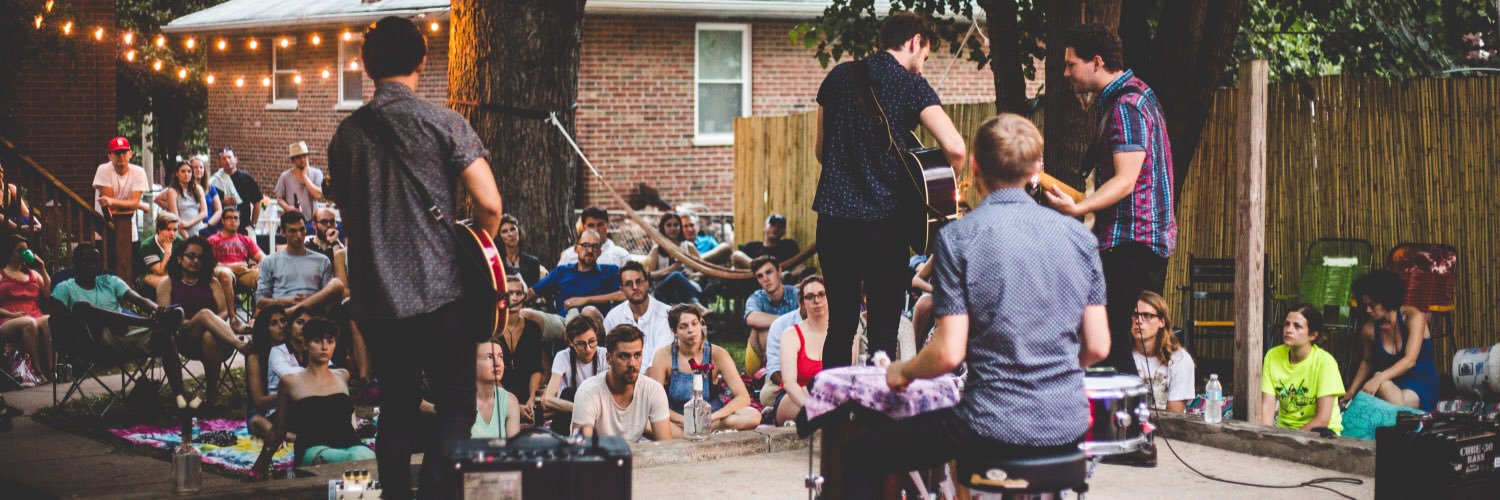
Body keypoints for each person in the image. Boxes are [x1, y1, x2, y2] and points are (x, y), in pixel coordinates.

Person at [843, 114, 1109, 497]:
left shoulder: (959, 237)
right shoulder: (1079, 238)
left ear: (976, 167)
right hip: (1067, 422)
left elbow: (948, 353)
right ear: (1037, 170)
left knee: (863, 453)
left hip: (991, 422)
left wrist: (902, 371)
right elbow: (1098, 346)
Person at [326, 16, 505, 498]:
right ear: (423, 60)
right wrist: (478, 252)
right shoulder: (444, 122)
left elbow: (349, 214)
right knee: (455, 410)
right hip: (442, 293)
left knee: (398, 408)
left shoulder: (344, 138)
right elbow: (489, 204)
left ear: (366, 66)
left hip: (377, 300)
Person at [814, 12, 967, 369]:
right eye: (925, 57)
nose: (922, 67)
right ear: (915, 42)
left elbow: (821, 152)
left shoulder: (837, 77)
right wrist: (938, 191)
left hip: (834, 222)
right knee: (883, 328)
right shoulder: (912, 86)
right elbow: (956, 149)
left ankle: (833, 415)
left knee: (841, 326)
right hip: (886, 226)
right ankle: (874, 415)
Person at [1043, 24, 1177, 378]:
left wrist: (1079, 208)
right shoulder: (1133, 98)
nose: (1066, 72)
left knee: (1108, 338)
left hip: (1130, 241)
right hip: (1132, 240)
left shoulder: (1127, 106)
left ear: (1097, 62)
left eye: (1072, 64)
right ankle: (1124, 426)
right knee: (1107, 337)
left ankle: (1128, 427)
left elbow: (1125, 180)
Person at [49, 244, 192, 407]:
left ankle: (180, 397)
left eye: (96, 261)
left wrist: (159, 311)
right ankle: (146, 322)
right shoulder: (64, 288)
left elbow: (140, 300)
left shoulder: (109, 281)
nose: (93, 266)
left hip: (125, 334)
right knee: (84, 308)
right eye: (87, 262)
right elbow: (59, 323)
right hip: (93, 343)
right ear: (75, 264)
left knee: (164, 333)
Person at [252, 317, 375, 475]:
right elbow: (278, 430)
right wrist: (260, 465)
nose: (324, 347)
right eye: (317, 341)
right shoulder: (291, 382)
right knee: (354, 461)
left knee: (369, 459)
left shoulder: (343, 375)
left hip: (350, 444)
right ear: (305, 344)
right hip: (313, 449)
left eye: (330, 341)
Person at [157, 236, 250, 408]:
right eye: (191, 255)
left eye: (200, 257)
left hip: (217, 339)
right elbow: (167, 317)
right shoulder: (167, 284)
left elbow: (223, 312)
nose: (196, 260)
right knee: (205, 313)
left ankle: (211, 399)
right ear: (179, 258)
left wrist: (207, 322)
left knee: (208, 334)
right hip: (185, 338)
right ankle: (239, 345)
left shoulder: (212, 283)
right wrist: (197, 320)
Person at [648, 304, 760, 434]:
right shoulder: (663, 355)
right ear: (674, 331)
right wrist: (685, 421)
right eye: (683, 326)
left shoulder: (717, 354)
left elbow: (743, 397)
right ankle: (696, 435)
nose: (691, 330)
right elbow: (654, 404)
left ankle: (700, 433)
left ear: (701, 323)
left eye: (694, 324)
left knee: (753, 416)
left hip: (711, 419)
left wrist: (711, 418)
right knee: (644, 422)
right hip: (677, 421)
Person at [1343, 270, 1439, 411]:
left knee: (1380, 384)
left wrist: (1378, 379)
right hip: (1393, 385)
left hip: (1421, 383)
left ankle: (1402, 419)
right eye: (1365, 306)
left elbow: (1410, 361)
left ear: (1387, 299)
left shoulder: (1413, 317)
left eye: (1373, 305)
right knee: (1383, 389)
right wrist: (1351, 392)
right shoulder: (1369, 330)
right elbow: (1368, 361)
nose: (1368, 310)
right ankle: (1407, 422)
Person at [571, 324, 673, 442]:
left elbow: (666, 447)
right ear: (609, 359)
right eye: (624, 356)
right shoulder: (588, 391)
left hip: (636, 457)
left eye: (637, 355)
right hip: (598, 458)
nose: (632, 364)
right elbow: (582, 450)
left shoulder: (653, 390)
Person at [1261, 306, 1345, 436]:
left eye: (1297, 326)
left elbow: (1322, 420)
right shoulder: (1272, 356)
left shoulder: (1325, 362)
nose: (1289, 330)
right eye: (1286, 324)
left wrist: (1291, 440)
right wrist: (1265, 436)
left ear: (1312, 335)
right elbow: (1267, 407)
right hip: (1284, 431)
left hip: (1320, 433)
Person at [254, 211, 345, 315]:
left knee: (337, 284)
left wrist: (310, 300)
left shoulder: (322, 260)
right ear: (283, 232)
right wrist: (289, 301)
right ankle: (293, 312)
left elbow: (329, 297)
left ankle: (292, 312)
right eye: (292, 231)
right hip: (282, 312)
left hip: (310, 311)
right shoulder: (270, 261)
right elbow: (260, 300)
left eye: (302, 230)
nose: (299, 235)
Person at [529, 229, 622, 320]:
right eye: (585, 245)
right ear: (576, 248)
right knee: (526, 314)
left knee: (589, 311)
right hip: (563, 323)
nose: (590, 250)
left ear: (600, 252)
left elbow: (624, 294)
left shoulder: (610, 271)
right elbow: (531, 293)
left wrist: (586, 300)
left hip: (593, 325)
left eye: (595, 246)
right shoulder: (561, 272)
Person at [774, 276, 829, 426]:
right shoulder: (791, 334)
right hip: (795, 397)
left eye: (822, 294)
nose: (817, 300)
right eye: (810, 297)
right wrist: (812, 407)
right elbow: (789, 383)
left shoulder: (847, 333)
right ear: (802, 303)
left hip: (831, 396)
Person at [1131, 291, 1194, 413]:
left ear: (1162, 322)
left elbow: (1174, 417)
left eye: (1147, 315)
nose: (1138, 320)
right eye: (1135, 314)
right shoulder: (1121, 355)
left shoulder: (1180, 360)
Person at [602, 261, 672, 371]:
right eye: (629, 284)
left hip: (657, 379)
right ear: (622, 289)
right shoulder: (613, 318)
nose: (635, 287)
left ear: (647, 283)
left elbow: (660, 361)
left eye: (639, 281)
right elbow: (612, 359)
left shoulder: (667, 314)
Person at [0, 235, 52, 383]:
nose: (23, 254)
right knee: (29, 323)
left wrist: (42, 268)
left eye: (26, 250)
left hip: (34, 314)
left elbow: (47, 293)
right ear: (9, 252)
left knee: (49, 320)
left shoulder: (33, 274)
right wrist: (11, 314)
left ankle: (53, 370)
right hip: (8, 318)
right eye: (19, 251)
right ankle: (37, 371)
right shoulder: (2, 275)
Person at [542, 315, 607, 434]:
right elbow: (547, 400)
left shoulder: (604, 355)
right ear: (571, 343)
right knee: (568, 393)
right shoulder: (563, 356)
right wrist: (579, 408)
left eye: (592, 341)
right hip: (571, 414)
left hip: (600, 411)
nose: (588, 349)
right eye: (581, 344)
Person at [495, 274, 545, 425]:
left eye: (519, 293)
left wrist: (532, 399)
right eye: (510, 294)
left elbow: (536, 368)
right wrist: (513, 405)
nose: (515, 298)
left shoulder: (533, 328)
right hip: (498, 394)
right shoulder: (491, 328)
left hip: (526, 394)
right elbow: (490, 377)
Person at [245, 306, 295, 442]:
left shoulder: (294, 349)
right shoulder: (255, 358)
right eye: (274, 323)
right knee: (257, 422)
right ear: (264, 329)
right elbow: (259, 401)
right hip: (262, 412)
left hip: (291, 407)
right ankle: (292, 438)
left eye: (283, 321)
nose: (281, 326)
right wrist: (290, 395)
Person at [742, 255, 798, 375]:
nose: (766, 279)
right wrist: (783, 322)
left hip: (793, 351)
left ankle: (776, 372)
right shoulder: (756, 297)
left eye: (769, 272)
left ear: (779, 271)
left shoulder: (795, 294)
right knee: (763, 329)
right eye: (760, 276)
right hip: (758, 358)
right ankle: (774, 372)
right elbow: (751, 319)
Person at [94, 137, 151, 243]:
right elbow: (110, 208)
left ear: (130, 153)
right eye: (117, 153)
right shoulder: (103, 169)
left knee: (132, 258)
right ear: (110, 156)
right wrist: (137, 205)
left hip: (129, 229)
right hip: (105, 227)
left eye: (124, 152)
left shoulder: (138, 172)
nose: (121, 156)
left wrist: (114, 201)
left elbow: (117, 202)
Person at [646, 212, 703, 304]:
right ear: (663, 228)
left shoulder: (688, 247)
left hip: (688, 286)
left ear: (680, 227)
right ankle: (698, 307)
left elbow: (704, 271)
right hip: (662, 290)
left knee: (677, 280)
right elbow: (648, 275)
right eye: (669, 225)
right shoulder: (656, 250)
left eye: (676, 225)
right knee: (676, 275)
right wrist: (669, 270)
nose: (672, 228)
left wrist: (693, 275)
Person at [472, 340, 523, 440]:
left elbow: (513, 449)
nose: (497, 363)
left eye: (500, 356)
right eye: (489, 357)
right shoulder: (460, 401)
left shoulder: (510, 401)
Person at [556, 206, 633, 268]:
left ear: (607, 225)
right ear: (583, 226)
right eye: (591, 225)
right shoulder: (569, 255)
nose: (596, 230)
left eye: (600, 225)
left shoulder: (621, 256)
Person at [208, 207, 264, 291]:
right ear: (223, 221)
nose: (233, 220)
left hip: (244, 272)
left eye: (235, 218)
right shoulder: (213, 240)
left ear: (239, 222)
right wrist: (231, 267)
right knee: (225, 274)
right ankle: (229, 305)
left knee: (263, 275)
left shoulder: (245, 239)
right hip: (223, 271)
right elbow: (208, 263)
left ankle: (264, 303)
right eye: (229, 218)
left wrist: (259, 265)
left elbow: (263, 257)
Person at [759, 307, 802, 407]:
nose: (816, 302)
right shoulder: (781, 324)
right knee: (767, 395)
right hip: (786, 380)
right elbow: (774, 368)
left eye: (821, 295)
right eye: (810, 297)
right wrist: (793, 389)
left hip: (820, 380)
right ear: (801, 301)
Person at [154, 161, 210, 237]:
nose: (186, 174)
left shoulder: (198, 189)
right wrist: (186, 237)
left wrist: (189, 223)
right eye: (183, 171)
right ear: (177, 174)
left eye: (189, 171)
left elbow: (204, 212)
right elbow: (175, 218)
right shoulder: (172, 191)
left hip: (199, 229)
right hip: (182, 231)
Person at [211, 147, 259, 234]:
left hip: (244, 228)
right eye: (223, 159)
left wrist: (253, 224)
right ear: (220, 163)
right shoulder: (215, 181)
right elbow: (210, 205)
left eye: (229, 157)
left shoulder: (247, 178)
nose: (227, 161)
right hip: (222, 229)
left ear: (236, 159)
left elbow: (257, 201)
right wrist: (223, 202)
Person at [730, 214, 801, 270]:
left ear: (784, 231)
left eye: (780, 226)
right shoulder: (752, 247)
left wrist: (786, 276)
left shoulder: (788, 246)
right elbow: (735, 263)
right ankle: (764, 270)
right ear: (764, 227)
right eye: (772, 224)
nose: (776, 228)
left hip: (778, 282)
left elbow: (800, 268)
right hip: (751, 282)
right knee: (736, 254)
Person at [276, 141, 325, 215]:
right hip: (292, 221)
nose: (302, 160)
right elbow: (279, 199)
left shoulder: (317, 173)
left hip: (312, 221)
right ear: (293, 160)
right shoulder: (285, 176)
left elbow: (318, 195)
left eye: (304, 156)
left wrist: (305, 176)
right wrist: (289, 209)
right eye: (298, 157)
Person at [136, 214, 183, 291]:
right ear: (159, 229)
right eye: (168, 229)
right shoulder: (148, 246)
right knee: (167, 283)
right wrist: (167, 252)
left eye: (175, 230)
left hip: (172, 274)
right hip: (150, 276)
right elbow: (160, 272)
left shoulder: (179, 241)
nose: (172, 233)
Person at [497, 214, 545, 289]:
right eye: (504, 231)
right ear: (500, 237)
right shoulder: (497, 263)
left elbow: (534, 292)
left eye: (513, 229)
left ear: (518, 231)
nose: (510, 234)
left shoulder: (532, 262)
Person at [0, 160, 43, 237]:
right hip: (5, 231)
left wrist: (38, 225)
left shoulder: (10, 189)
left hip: (18, 230)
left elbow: (26, 213)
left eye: (0, 174)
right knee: (21, 243)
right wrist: (19, 228)